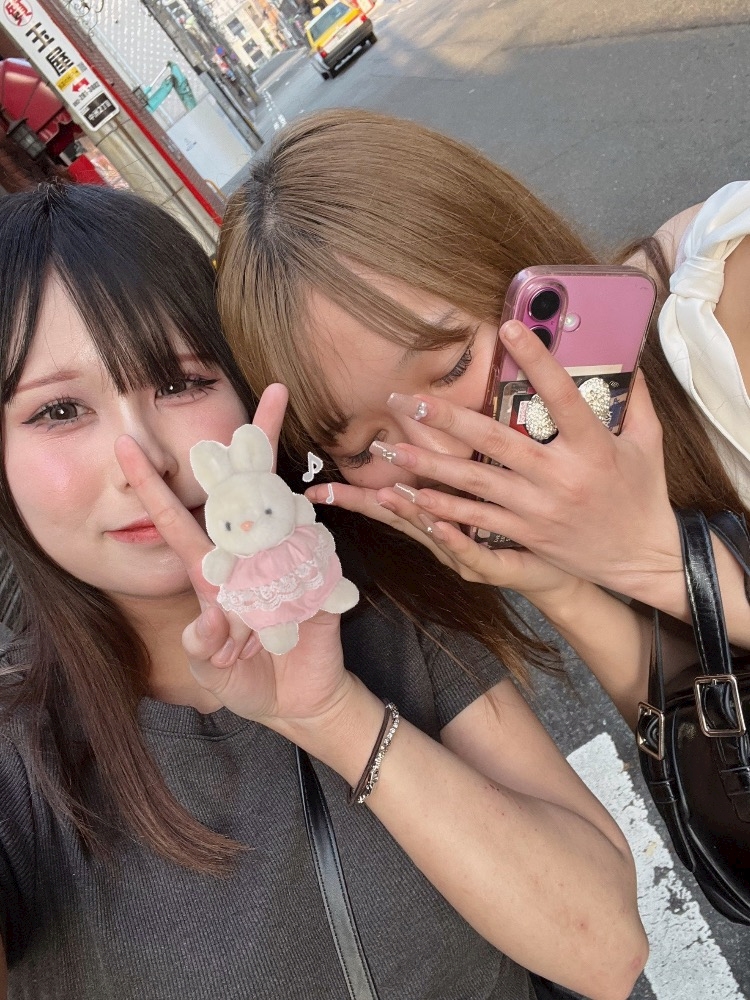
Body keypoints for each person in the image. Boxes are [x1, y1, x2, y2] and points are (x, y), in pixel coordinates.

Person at [0, 182, 647, 1000]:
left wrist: (333, 714)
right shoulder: (17, 759)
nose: (144, 461)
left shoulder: (376, 599)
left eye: (179, 382)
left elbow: (606, 949)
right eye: (59, 410)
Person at [215, 108, 749, 728]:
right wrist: (558, 584)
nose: (439, 454)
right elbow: (702, 743)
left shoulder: (726, 293)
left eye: (452, 368)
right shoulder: (563, 511)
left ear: (515, 270)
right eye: (362, 448)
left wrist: (650, 558)